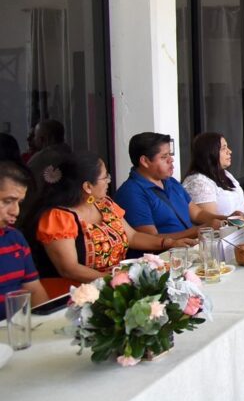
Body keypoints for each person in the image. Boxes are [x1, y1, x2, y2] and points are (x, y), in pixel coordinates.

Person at [33, 153, 194, 284]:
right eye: (105, 178)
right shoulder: (58, 218)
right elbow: (69, 269)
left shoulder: (105, 204)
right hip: (81, 293)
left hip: (118, 283)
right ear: (88, 186)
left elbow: (132, 237)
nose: (108, 181)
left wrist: (170, 243)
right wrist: (113, 279)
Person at [115, 132, 230, 240]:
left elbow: (197, 213)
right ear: (145, 161)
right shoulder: (131, 193)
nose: (171, 160)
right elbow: (151, 239)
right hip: (167, 253)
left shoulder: (170, 181)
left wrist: (228, 219)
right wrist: (200, 230)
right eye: (164, 157)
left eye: (170, 154)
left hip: (191, 246)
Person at [0, 161, 47, 316]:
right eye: (7, 201)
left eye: (19, 203)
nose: (16, 211)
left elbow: (34, 290)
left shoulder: (15, 238)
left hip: (18, 326)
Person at [182, 132, 244, 217]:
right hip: (227, 225)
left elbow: (243, 208)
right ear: (210, 153)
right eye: (223, 148)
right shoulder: (198, 182)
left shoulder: (226, 174)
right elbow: (210, 222)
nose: (229, 151)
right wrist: (232, 220)